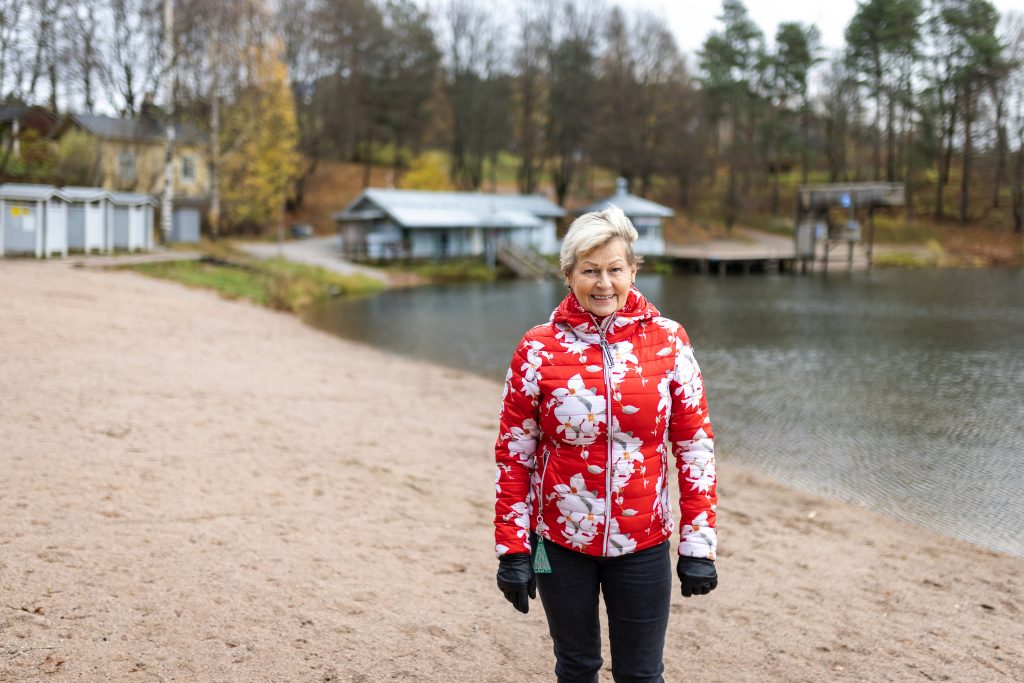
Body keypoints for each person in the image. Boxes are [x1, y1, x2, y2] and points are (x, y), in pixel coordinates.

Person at [493, 205, 718, 683]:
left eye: (615, 269)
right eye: (590, 271)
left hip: (644, 542)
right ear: (568, 274)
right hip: (558, 542)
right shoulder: (537, 348)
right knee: (576, 668)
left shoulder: (669, 341)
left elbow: (695, 447)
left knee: (640, 674)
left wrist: (698, 544)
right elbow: (515, 454)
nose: (603, 283)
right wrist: (512, 549)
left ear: (633, 271)